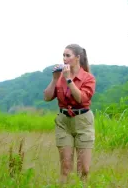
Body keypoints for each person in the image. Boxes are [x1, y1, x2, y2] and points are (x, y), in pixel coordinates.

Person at [43, 43, 96, 184]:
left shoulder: (88, 78)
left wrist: (68, 79)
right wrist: (55, 79)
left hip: (83, 121)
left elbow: (81, 98)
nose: (64, 59)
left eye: (68, 55)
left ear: (77, 57)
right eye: (63, 55)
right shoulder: (59, 77)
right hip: (63, 122)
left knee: (83, 169)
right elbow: (47, 97)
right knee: (65, 167)